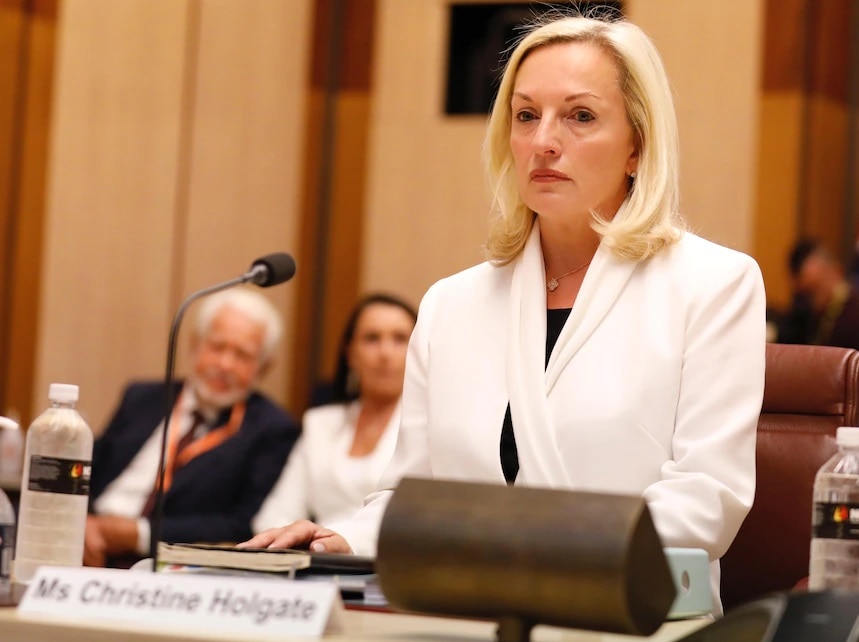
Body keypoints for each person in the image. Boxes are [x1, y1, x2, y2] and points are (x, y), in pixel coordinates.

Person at [242, 12, 766, 614]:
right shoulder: (451, 305)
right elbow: (414, 497)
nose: (544, 139)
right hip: (465, 613)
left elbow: (706, 500)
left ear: (636, 148)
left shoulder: (713, 285)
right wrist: (341, 539)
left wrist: (529, 557)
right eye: (525, 115)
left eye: (580, 116)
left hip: (630, 615)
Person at [86, 287, 300, 567]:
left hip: (162, 563)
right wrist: (81, 523)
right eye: (217, 347)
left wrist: (139, 534)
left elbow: (241, 524)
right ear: (194, 345)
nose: (225, 364)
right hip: (84, 541)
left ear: (263, 368)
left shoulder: (271, 429)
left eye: (242, 355)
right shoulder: (141, 398)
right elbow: (89, 472)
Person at [252, 293, 417, 532]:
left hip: (389, 561)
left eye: (400, 339)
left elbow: (413, 518)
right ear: (350, 353)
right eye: (372, 338)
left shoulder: (426, 426)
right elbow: (274, 515)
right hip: (316, 559)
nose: (385, 353)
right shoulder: (320, 423)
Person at [779, 238, 859, 350]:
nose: (813, 300)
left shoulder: (852, 315)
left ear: (836, 269)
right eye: (807, 293)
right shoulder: (810, 317)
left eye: (815, 289)